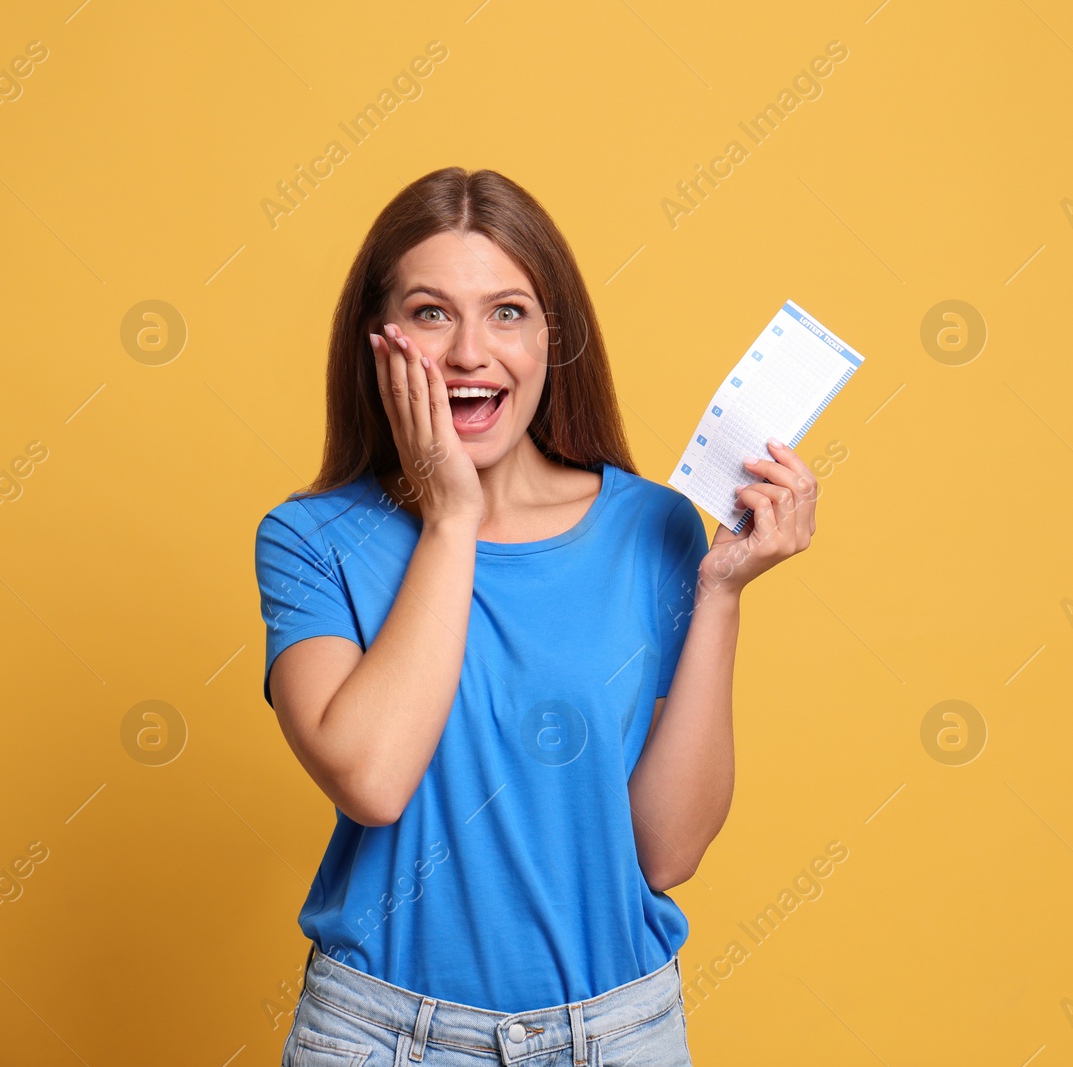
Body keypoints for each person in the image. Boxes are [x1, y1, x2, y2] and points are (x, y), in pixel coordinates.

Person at [253, 167, 817, 1066]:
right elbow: (372, 777)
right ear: (380, 340)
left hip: (620, 1035)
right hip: (384, 1038)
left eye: (508, 311)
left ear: (554, 339)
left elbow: (667, 851)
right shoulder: (311, 541)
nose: (471, 351)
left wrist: (720, 592)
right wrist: (452, 514)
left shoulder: (652, 529)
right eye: (433, 312)